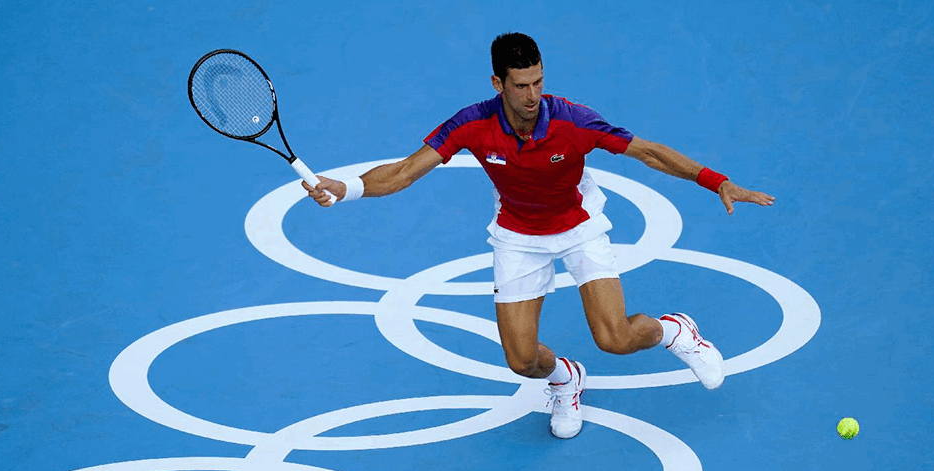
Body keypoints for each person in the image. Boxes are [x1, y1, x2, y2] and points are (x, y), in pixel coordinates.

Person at [303, 32, 775, 439]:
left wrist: (717, 181)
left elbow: (648, 153)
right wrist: (346, 189)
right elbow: (406, 171)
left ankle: (676, 331)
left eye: (538, 82)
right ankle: (565, 380)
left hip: (578, 226)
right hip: (518, 235)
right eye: (521, 85)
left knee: (613, 338)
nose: (533, 95)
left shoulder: (573, 120)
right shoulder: (471, 123)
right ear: (498, 84)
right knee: (521, 360)